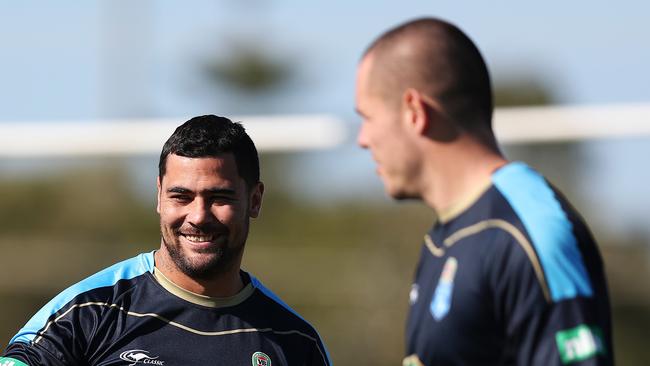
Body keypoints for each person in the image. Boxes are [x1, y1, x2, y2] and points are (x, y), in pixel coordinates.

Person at [355, 17, 613, 365]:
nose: (362, 139)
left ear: (415, 112)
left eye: (368, 117)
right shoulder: (445, 238)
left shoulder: (531, 231)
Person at [1, 115, 331, 366]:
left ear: (255, 200)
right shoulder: (85, 314)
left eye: (219, 197)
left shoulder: (296, 342)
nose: (199, 216)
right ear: (159, 196)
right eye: (181, 196)